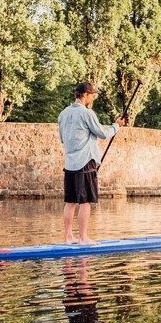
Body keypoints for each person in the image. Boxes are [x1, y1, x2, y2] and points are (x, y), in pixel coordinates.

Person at [58, 81, 124, 244]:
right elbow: (103, 133)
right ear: (85, 95)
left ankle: (68, 237)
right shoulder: (87, 114)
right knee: (85, 202)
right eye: (92, 95)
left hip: (69, 164)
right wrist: (117, 126)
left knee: (70, 202)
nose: (93, 97)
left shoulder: (63, 114)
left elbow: (62, 138)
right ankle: (83, 238)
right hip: (85, 163)